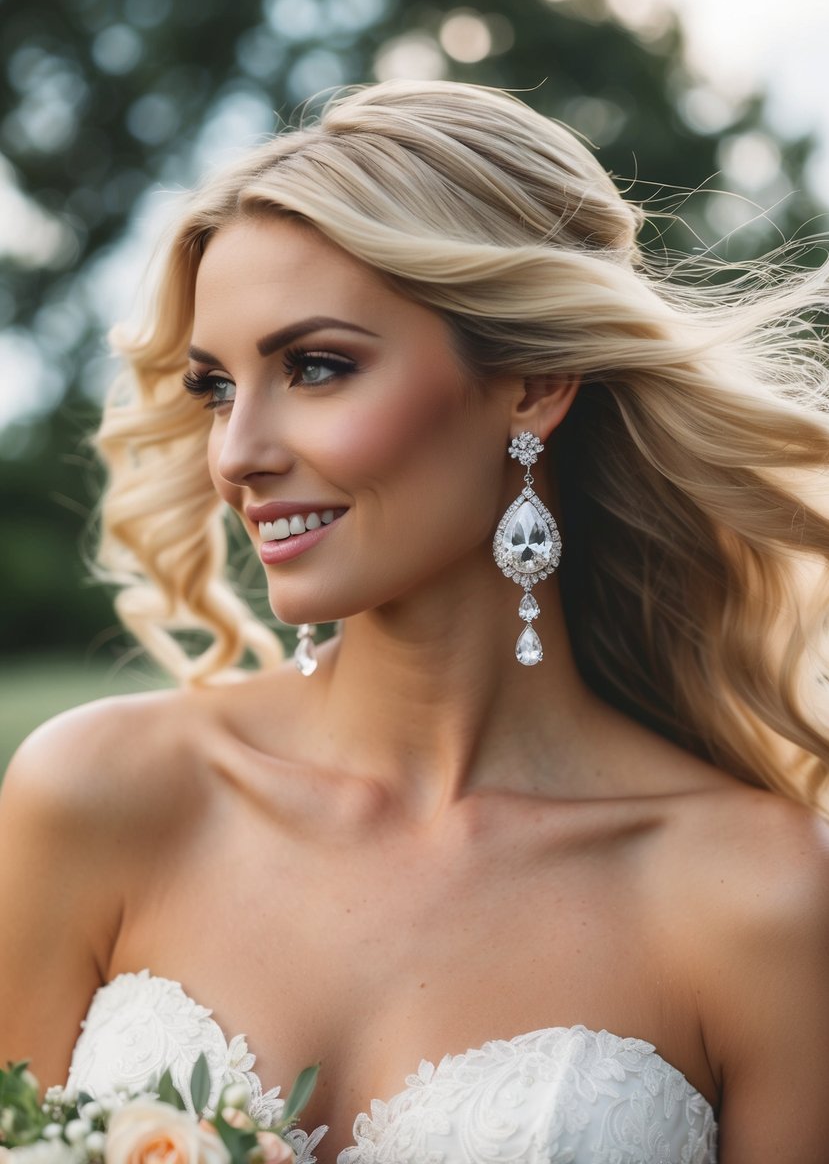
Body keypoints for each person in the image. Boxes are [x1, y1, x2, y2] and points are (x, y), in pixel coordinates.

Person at [1, 79, 828, 1164]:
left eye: (317, 366)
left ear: (533, 381)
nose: (238, 451)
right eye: (215, 386)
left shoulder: (757, 896)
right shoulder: (101, 794)